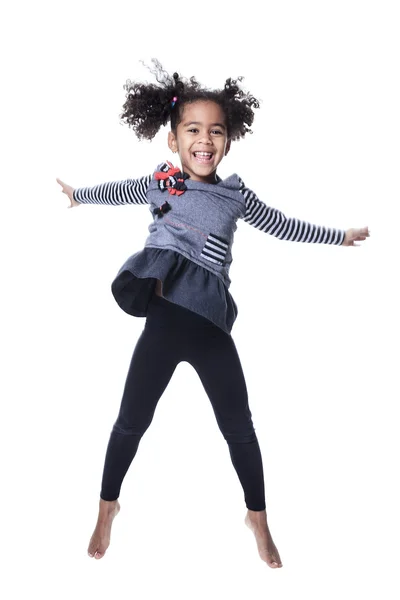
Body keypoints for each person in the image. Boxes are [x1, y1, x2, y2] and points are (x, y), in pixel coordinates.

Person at [56, 59, 370, 568]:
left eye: (215, 132)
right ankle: (106, 506)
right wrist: (78, 196)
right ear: (174, 141)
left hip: (209, 328)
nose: (204, 141)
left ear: (228, 141)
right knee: (131, 422)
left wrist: (340, 236)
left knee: (240, 427)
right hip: (162, 322)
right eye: (193, 131)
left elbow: (285, 225)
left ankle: (259, 520)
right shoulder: (158, 184)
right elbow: (111, 192)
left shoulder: (233, 195)